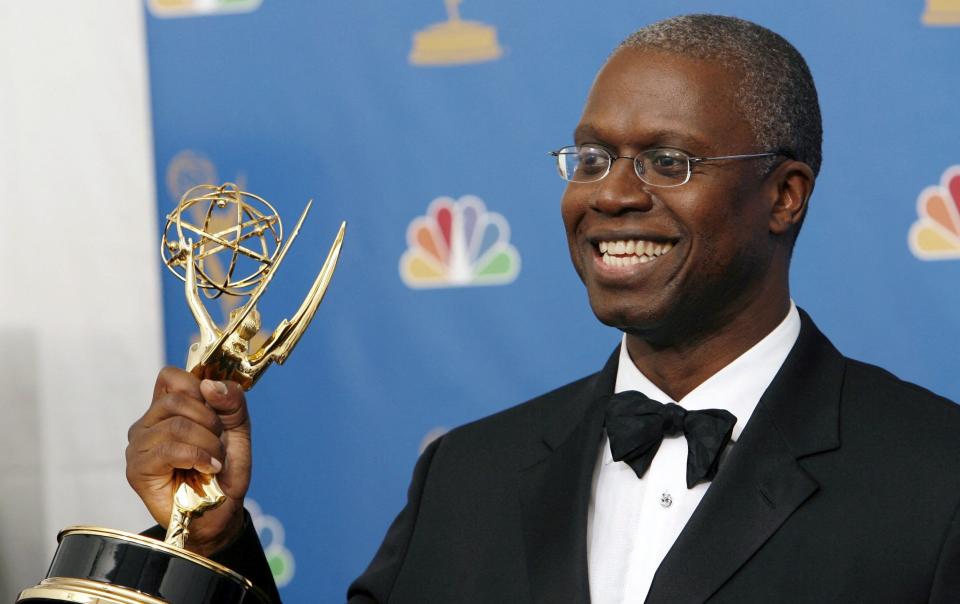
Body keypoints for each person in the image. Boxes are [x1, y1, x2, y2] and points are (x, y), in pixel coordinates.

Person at [126, 14, 960, 603]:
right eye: (593, 156)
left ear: (784, 196)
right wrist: (212, 543)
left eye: (668, 161)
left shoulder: (937, 478)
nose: (612, 195)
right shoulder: (465, 477)